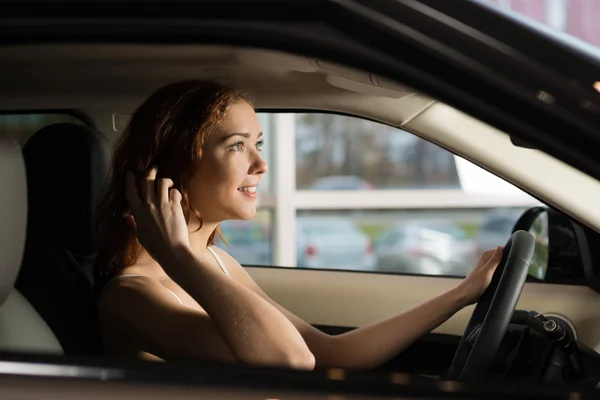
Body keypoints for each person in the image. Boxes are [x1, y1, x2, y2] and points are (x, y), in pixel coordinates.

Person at [96, 79, 504, 370]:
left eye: (257, 143)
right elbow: (291, 361)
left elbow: (330, 355)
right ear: (171, 167)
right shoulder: (132, 297)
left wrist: (462, 294)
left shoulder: (217, 263)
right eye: (237, 145)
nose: (261, 163)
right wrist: (179, 255)